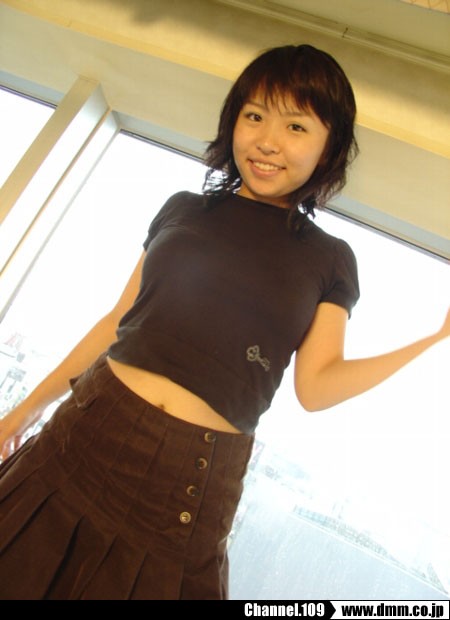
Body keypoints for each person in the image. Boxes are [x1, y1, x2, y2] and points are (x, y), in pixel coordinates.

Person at [0, 44, 448, 600]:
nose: (267, 141)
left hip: (180, 492)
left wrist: (437, 337)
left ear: (329, 147)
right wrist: (22, 412)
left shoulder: (331, 259)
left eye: (296, 126)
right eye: (254, 115)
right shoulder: (183, 208)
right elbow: (117, 322)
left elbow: (317, 387)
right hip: (80, 437)